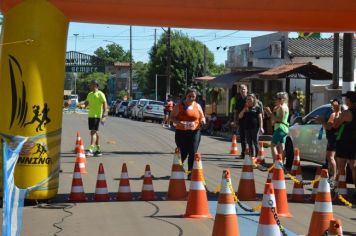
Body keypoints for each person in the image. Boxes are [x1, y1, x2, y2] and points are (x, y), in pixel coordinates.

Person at [170, 88, 206, 179]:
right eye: (189, 96)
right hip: (181, 132)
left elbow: (202, 117)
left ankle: (190, 173)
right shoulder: (179, 106)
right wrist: (179, 123)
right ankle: (178, 168)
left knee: (193, 152)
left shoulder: (197, 106)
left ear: (195, 97)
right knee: (183, 152)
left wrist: (203, 121)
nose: (191, 98)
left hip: (195, 132)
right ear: (186, 95)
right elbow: (172, 117)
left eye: (193, 96)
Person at [315, 98, 343, 182]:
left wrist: (322, 121)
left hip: (333, 139)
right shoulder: (341, 114)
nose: (331, 106)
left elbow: (329, 126)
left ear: (338, 105)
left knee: (330, 157)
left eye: (333, 104)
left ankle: (333, 176)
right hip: (336, 138)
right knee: (335, 158)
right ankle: (335, 176)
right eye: (331, 104)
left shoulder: (334, 114)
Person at [333, 91, 356, 194]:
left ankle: (339, 190)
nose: (345, 100)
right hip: (354, 143)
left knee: (341, 168)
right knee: (354, 167)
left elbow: (335, 125)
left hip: (344, 142)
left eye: (346, 99)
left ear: (349, 101)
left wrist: (337, 111)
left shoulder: (347, 113)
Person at [84, 80, 108, 156]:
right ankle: (98, 150)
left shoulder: (100, 94)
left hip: (97, 116)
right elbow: (85, 104)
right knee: (95, 132)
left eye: (91, 84)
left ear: (95, 85)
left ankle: (90, 150)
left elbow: (105, 105)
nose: (89, 86)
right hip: (90, 116)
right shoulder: (89, 94)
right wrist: (77, 104)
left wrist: (104, 116)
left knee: (93, 132)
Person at [264, 92, 289, 163]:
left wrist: (270, 112)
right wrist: (269, 113)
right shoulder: (279, 107)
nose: (276, 100)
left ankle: (276, 163)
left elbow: (279, 119)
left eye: (278, 98)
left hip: (280, 128)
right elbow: (273, 120)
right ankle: (281, 164)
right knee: (281, 146)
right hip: (282, 128)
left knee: (273, 145)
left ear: (283, 99)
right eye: (276, 98)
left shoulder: (282, 107)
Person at [235, 84, 248, 158]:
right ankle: (243, 153)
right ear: (239, 91)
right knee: (242, 138)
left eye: (244, 89)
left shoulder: (249, 99)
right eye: (241, 89)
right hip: (241, 121)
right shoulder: (238, 100)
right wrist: (235, 121)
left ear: (247, 90)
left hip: (249, 121)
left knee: (250, 139)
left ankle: (253, 155)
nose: (242, 90)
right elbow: (236, 111)